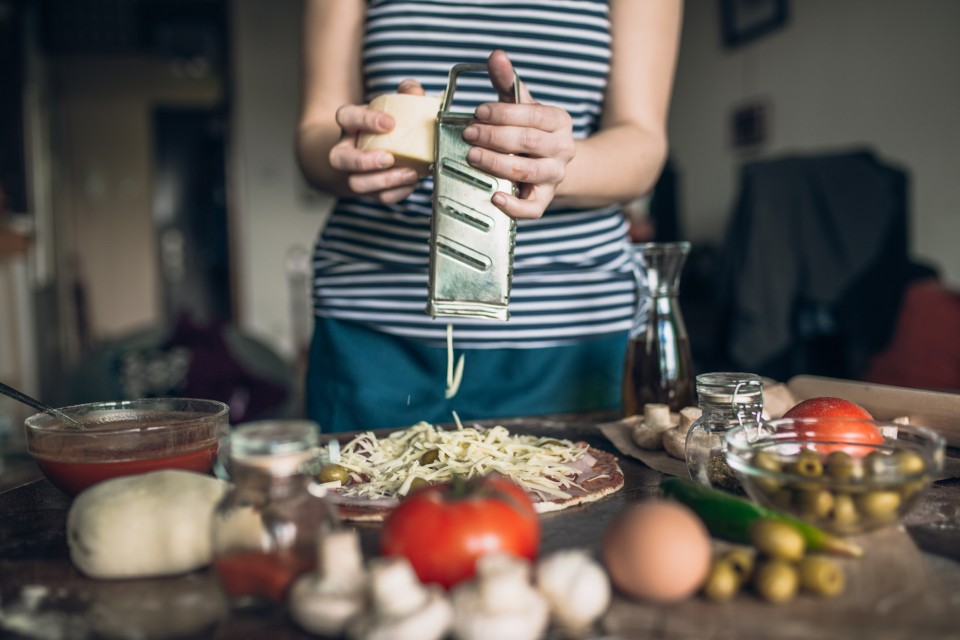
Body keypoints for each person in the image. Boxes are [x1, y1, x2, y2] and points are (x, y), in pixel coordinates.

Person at [297, 0, 682, 432]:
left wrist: (554, 166)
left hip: (568, 332)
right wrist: (355, 153)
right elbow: (315, 134)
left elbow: (643, 145)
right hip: (373, 336)